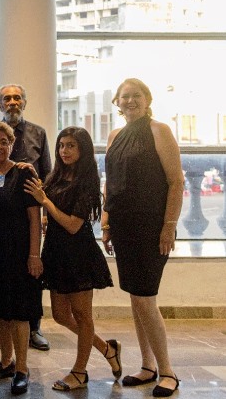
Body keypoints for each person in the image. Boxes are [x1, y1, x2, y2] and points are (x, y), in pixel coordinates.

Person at [102, 78, 184, 398]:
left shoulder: (159, 131)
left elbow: (176, 182)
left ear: (147, 100)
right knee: (136, 297)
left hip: (151, 227)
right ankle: (148, 366)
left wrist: (169, 226)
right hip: (123, 226)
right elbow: (111, 182)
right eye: (125, 97)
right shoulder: (114, 136)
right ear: (117, 102)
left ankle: (168, 372)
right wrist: (107, 223)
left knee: (144, 298)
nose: (131, 101)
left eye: (137, 96)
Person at [23, 127, 119, 391]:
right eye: (61, 145)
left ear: (83, 149)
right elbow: (53, 210)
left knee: (83, 316)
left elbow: (74, 225)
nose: (64, 151)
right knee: (60, 315)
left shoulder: (86, 181)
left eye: (71, 146)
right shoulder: (57, 176)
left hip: (78, 254)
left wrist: (45, 203)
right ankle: (106, 348)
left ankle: (79, 371)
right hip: (56, 252)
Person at [0, 84, 52, 352]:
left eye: (17, 98)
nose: (12, 102)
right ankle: (2, 337)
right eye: (7, 99)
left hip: (25, 219)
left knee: (26, 288)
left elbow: (47, 174)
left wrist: (45, 214)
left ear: (24, 102)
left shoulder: (38, 133)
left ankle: (34, 328)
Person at [0, 121, 42, 396]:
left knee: (19, 313)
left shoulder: (23, 173)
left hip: (18, 254)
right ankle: (6, 362)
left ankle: (22, 369)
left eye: (4, 141)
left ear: (12, 145)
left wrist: (34, 255)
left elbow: (34, 219)